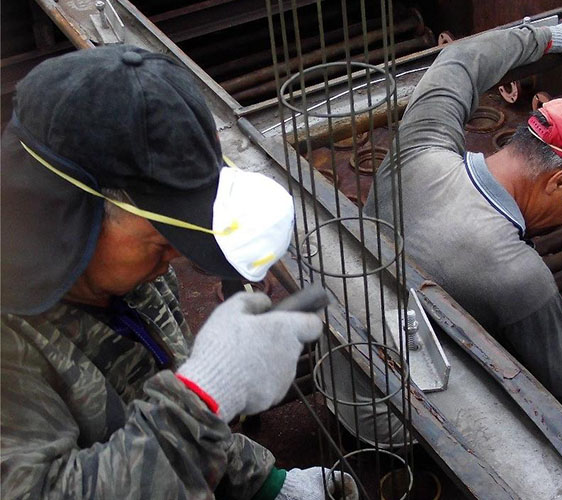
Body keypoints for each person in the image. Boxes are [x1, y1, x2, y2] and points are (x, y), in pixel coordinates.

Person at [0, 46, 356, 499]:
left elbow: (157, 403)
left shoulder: (132, 276)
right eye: (163, 238)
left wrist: (266, 484)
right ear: (68, 218)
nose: (173, 258)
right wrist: (205, 393)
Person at [362, 19, 562, 453]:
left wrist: (548, 36)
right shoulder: (516, 273)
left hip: (341, 361)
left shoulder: (420, 147)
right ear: (561, 182)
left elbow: (458, 59)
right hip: (396, 422)